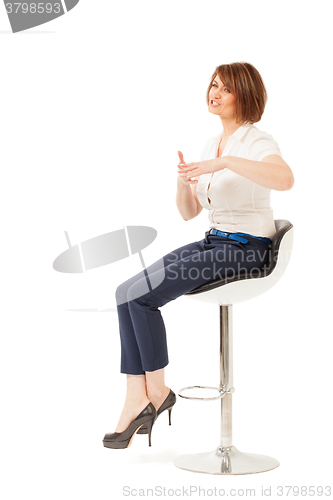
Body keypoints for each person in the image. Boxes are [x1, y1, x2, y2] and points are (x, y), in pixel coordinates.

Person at [102, 62, 294, 449]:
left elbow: (286, 179)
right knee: (126, 292)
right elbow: (189, 213)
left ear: (245, 94)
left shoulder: (258, 141)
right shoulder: (211, 144)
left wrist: (222, 163)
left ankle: (153, 395)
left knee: (142, 298)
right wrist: (183, 180)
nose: (214, 93)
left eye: (224, 88)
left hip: (248, 249)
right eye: (212, 85)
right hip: (214, 242)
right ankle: (137, 394)